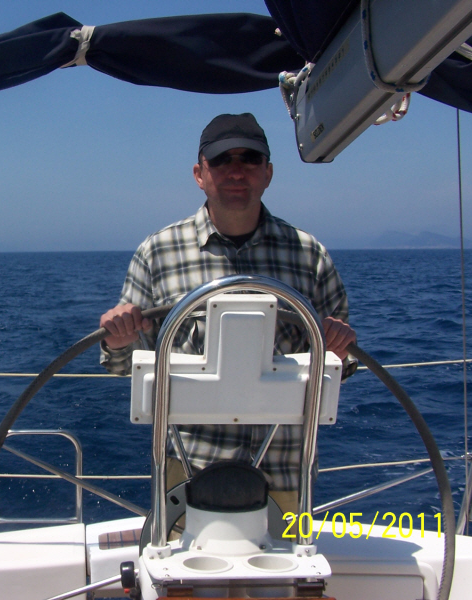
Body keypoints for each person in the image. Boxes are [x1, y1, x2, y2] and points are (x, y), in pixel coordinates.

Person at [99, 113, 356, 513]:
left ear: (268, 173)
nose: (236, 171)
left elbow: (342, 364)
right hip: (188, 474)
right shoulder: (156, 253)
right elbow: (123, 366)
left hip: (286, 475)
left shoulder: (310, 255)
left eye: (250, 159)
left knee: (290, 557)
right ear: (199, 174)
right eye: (221, 160)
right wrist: (119, 339)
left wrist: (338, 349)